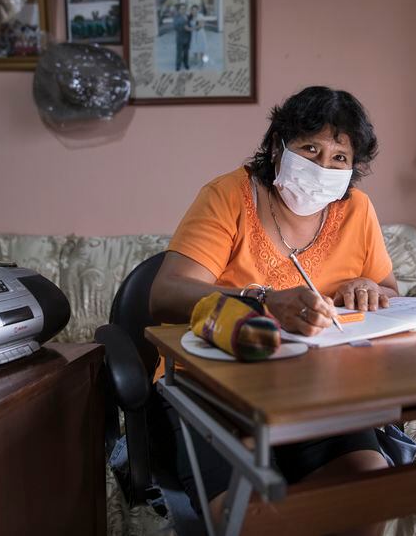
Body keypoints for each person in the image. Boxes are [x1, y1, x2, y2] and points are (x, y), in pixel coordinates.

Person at [150, 86, 397, 533]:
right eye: (310, 148)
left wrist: (369, 285)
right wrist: (260, 299)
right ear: (277, 146)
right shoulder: (228, 195)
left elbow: (389, 291)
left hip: (318, 386)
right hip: (216, 382)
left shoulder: (356, 210)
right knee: (250, 516)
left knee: (367, 493)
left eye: (339, 157)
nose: (324, 165)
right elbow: (165, 293)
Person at [172, 3, 191, 71]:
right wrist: (183, 25)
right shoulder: (176, 16)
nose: (183, 10)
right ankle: (178, 65)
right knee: (179, 53)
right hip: (180, 37)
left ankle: (186, 63)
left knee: (186, 52)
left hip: (188, 37)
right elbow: (175, 27)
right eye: (182, 9)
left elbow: (190, 25)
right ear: (179, 10)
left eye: (184, 9)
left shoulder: (188, 16)